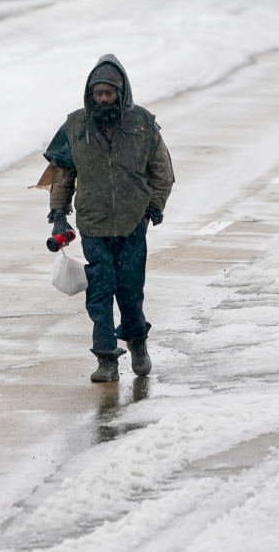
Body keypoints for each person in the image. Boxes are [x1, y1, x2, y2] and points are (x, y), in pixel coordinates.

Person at [43, 54, 174, 382]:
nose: (103, 99)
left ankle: (137, 342)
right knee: (100, 290)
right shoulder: (75, 126)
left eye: (109, 93)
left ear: (121, 93)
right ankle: (106, 358)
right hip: (93, 223)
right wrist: (59, 214)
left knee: (130, 291)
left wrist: (154, 207)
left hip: (132, 223)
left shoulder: (142, 124)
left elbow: (162, 169)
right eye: (97, 93)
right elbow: (62, 175)